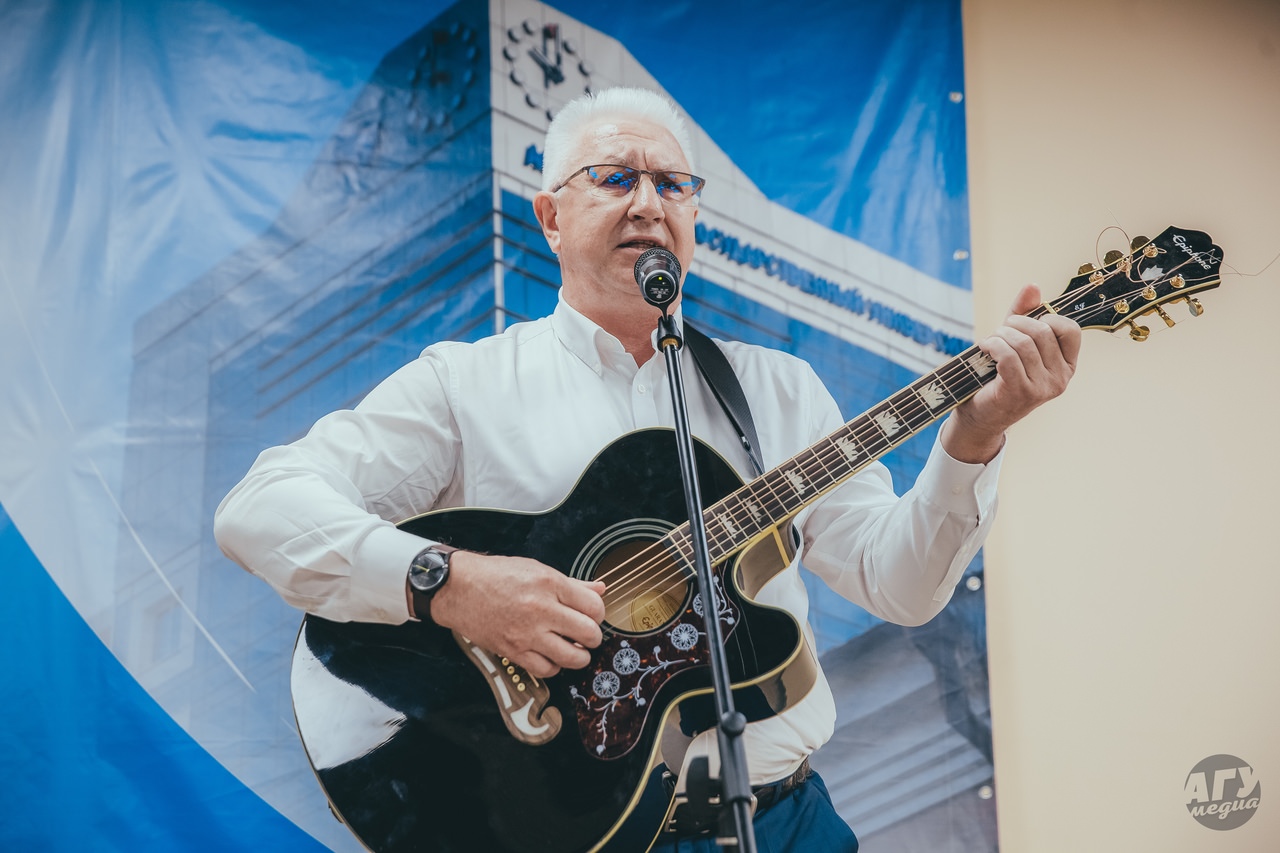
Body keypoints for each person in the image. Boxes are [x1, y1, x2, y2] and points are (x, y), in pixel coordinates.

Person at [214, 86, 1079, 852]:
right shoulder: (463, 386)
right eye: (614, 178)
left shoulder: (777, 391)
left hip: (782, 824)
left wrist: (973, 438)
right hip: (561, 828)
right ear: (551, 217)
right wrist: (450, 582)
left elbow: (901, 584)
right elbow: (260, 508)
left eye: (671, 184)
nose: (647, 203)